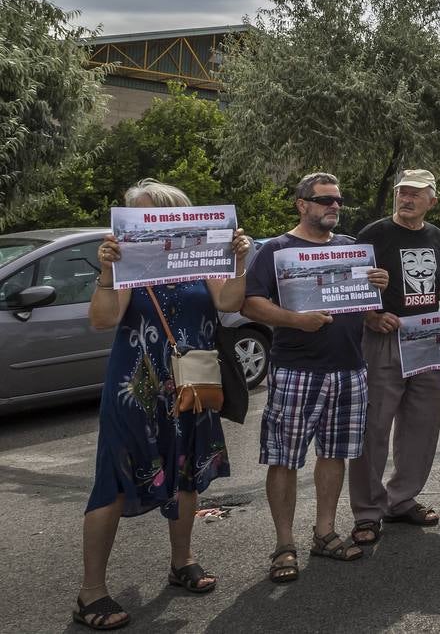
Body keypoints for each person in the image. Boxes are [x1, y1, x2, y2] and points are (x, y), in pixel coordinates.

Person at [75, 179, 250, 630]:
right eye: (136, 216)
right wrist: (107, 271)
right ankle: (91, 591)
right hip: (136, 391)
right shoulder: (128, 261)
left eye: (149, 214)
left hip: (191, 385)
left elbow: (229, 301)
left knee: (187, 472)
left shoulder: (202, 258)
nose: (141, 224)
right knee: (114, 482)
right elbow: (103, 319)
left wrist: (238, 262)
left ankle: (181, 561)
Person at [244, 172, 388, 585]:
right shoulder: (276, 249)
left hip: (349, 368)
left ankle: (325, 532)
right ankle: (283, 544)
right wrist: (296, 320)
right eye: (325, 200)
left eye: (338, 200)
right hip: (296, 369)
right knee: (284, 458)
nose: (334, 206)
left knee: (335, 453)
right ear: (302, 204)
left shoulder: (350, 247)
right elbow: (250, 304)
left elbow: (363, 302)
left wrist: (377, 287)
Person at [350, 170, 440, 541]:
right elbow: (351, 285)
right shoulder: (374, 234)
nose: (407, 199)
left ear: (432, 200)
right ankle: (367, 511)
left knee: (421, 426)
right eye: (402, 192)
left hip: (427, 341)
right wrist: (371, 315)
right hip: (385, 339)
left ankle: (401, 500)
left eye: (415, 194)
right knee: (374, 428)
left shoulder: (437, 237)